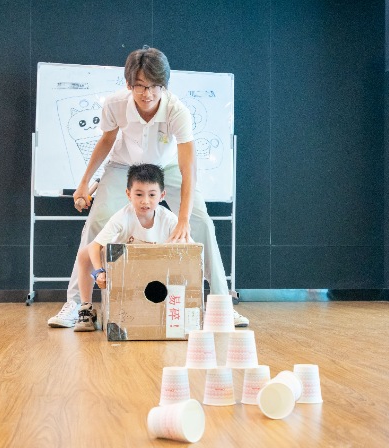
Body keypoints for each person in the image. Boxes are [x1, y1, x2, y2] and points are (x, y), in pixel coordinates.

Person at [47, 46, 249, 328]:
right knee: (95, 223)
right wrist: (83, 183)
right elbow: (106, 140)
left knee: (202, 223)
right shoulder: (115, 104)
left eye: (155, 86)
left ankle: (220, 304)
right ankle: (78, 305)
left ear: (164, 85)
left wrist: (183, 219)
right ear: (129, 84)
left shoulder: (177, 111)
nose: (148, 93)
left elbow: (188, 167)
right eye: (140, 86)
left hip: (167, 167)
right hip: (123, 166)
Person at [49, 164, 181, 331]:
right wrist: (99, 272)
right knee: (84, 254)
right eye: (139, 194)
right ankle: (86, 309)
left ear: (162, 195)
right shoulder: (123, 216)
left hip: (155, 272)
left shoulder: (169, 219)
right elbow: (95, 246)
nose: (145, 201)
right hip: (125, 269)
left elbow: (189, 250)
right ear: (128, 194)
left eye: (152, 195)